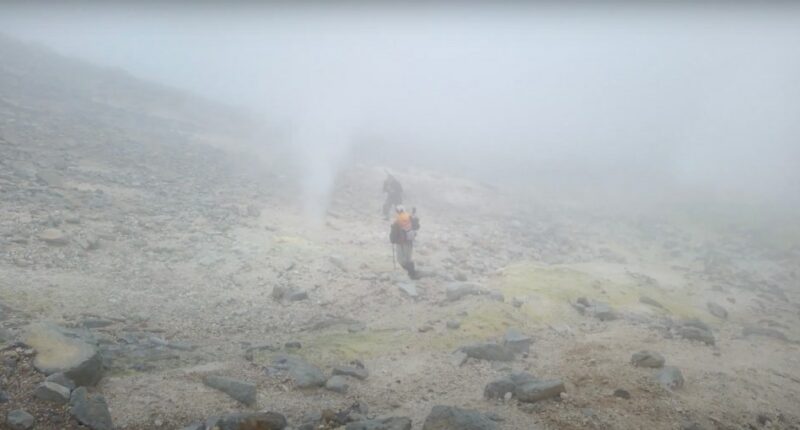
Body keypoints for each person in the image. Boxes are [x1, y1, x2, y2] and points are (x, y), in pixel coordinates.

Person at [390, 205, 420, 279]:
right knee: (408, 259)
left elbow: (394, 231)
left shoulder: (397, 219)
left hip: (399, 242)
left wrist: (392, 240)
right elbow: (417, 227)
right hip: (408, 241)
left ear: (398, 211)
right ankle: (412, 273)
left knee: (400, 260)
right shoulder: (410, 217)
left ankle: (411, 273)